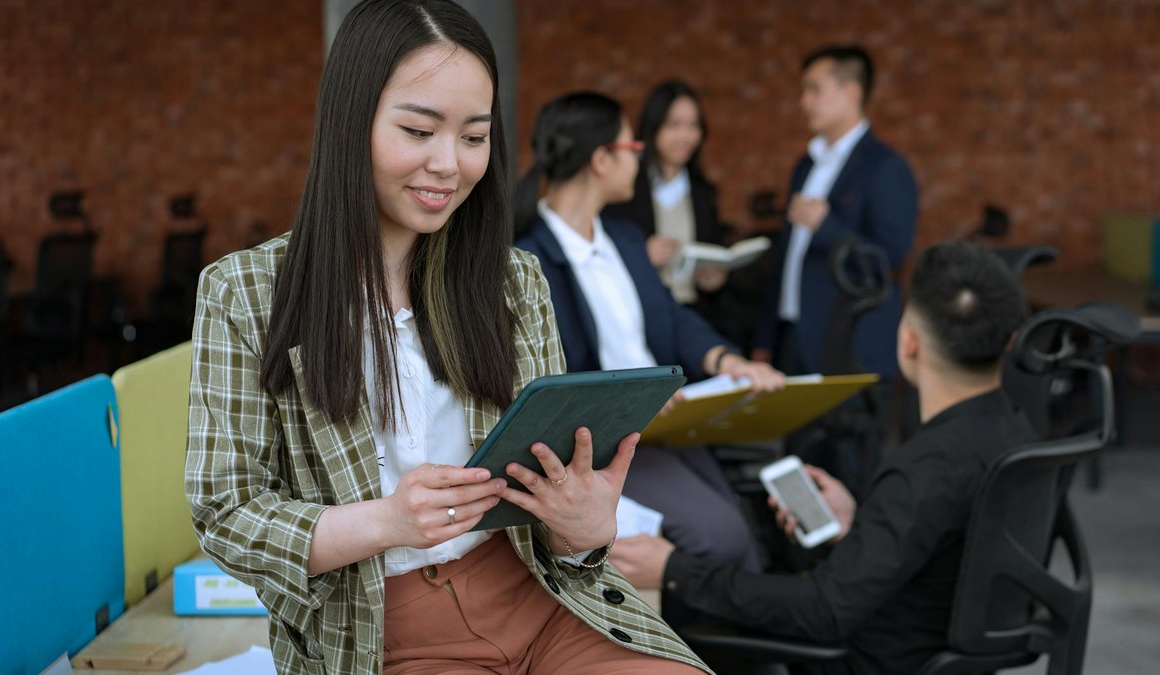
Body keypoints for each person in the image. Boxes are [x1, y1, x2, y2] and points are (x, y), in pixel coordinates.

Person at [185, 2, 709, 673]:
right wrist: (387, 521)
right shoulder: (245, 291)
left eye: (473, 136)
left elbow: (552, 509)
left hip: (546, 600)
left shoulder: (512, 280)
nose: (449, 164)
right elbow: (226, 512)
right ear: (352, 122)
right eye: (418, 129)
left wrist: (581, 528)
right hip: (382, 626)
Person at [612, 241, 1037, 675]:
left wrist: (674, 568)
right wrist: (863, 527)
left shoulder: (925, 468)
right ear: (1011, 340)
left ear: (908, 343)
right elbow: (958, 546)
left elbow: (825, 610)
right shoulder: (1020, 432)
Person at [512, 91, 787, 616]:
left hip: (669, 425)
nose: (639, 158)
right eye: (633, 145)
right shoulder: (530, 259)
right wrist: (632, 401)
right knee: (721, 536)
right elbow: (547, 373)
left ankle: (748, 647)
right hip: (607, 441)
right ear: (601, 159)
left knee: (745, 526)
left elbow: (673, 320)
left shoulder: (626, 238)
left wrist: (728, 362)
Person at [752, 44, 918, 379]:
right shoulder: (806, 163)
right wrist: (765, 337)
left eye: (814, 89)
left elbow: (889, 261)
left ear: (851, 92)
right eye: (804, 91)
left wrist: (826, 227)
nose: (804, 102)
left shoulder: (886, 167)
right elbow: (788, 255)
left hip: (849, 346)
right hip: (793, 336)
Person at [603, 80, 730, 325]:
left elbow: (714, 251)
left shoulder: (703, 193)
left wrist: (716, 279)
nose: (686, 136)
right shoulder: (625, 190)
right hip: (640, 316)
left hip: (693, 316)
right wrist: (641, 256)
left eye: (693, 126)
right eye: (674, 125)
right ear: (654, 127)